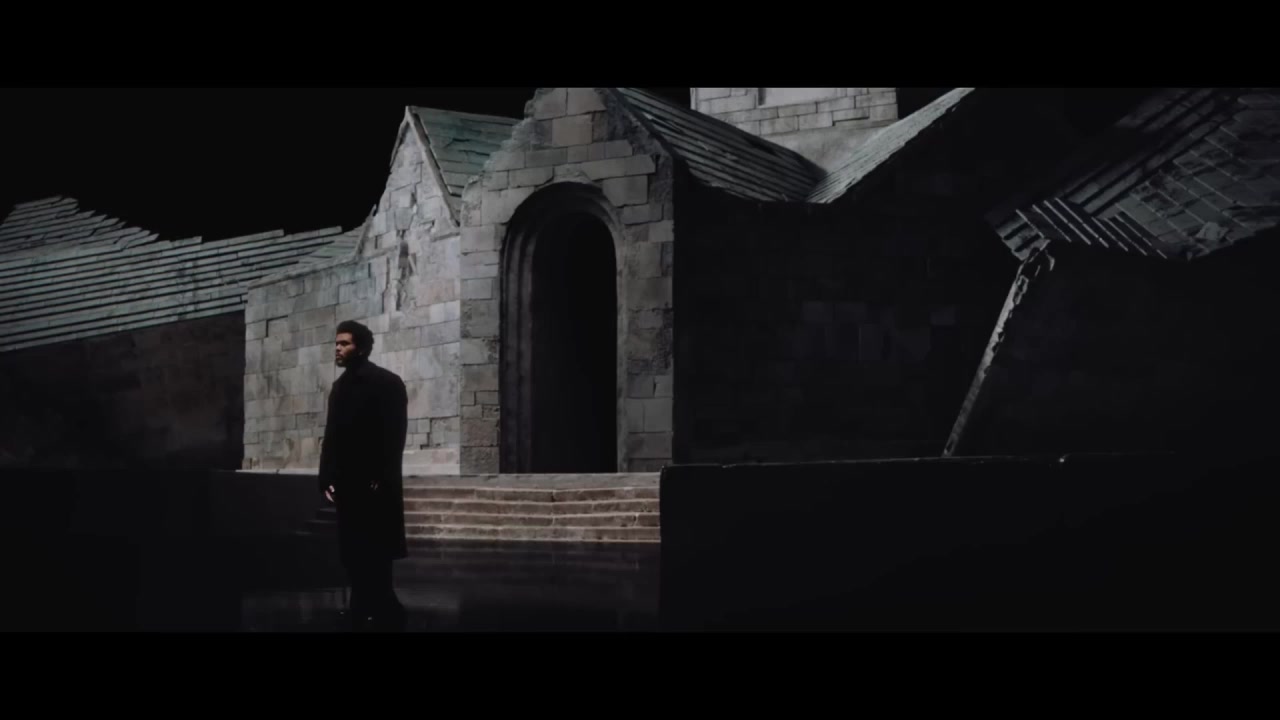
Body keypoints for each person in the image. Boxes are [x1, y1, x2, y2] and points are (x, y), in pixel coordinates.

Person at [319, 319, 409, 631]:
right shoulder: (340, 387)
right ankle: (365, 606)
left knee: (377, 549)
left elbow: (394, 434)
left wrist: (382, 474)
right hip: (347, 482)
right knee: (353, 550)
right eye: (336, 343)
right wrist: (326, 476)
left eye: (344, 343)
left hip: (375, 483)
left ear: (361, 348)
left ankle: (382, 609)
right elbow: (332, 435)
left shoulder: (386, 383)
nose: (337, 349)